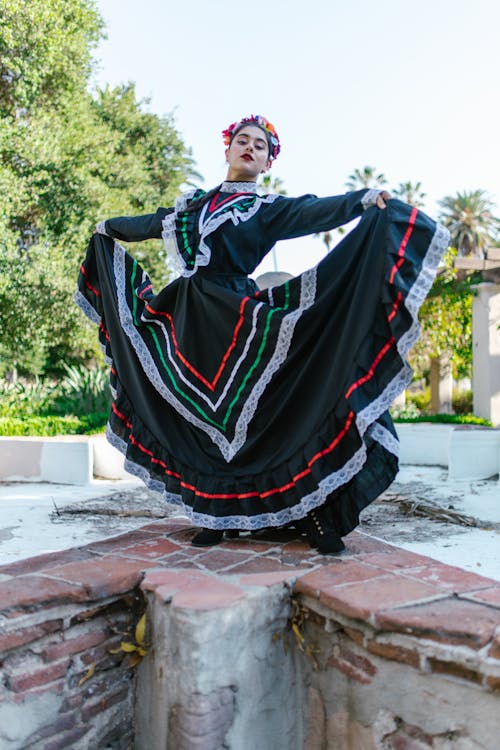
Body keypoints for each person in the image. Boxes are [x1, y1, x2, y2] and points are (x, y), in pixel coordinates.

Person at [76, 114, 449, 553]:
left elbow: (313, 210)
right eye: (242, 140)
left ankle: (317, 513)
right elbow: (148, 224)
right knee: (200, 425)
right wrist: (107, 228)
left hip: (239, 320)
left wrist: (364, 200)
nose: (249, 147)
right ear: (228, 149)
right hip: (188, 323)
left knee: (270, 415)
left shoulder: (266, 210)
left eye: (260, 145)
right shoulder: (191, 206)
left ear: (268, 162)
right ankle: (215, 514)